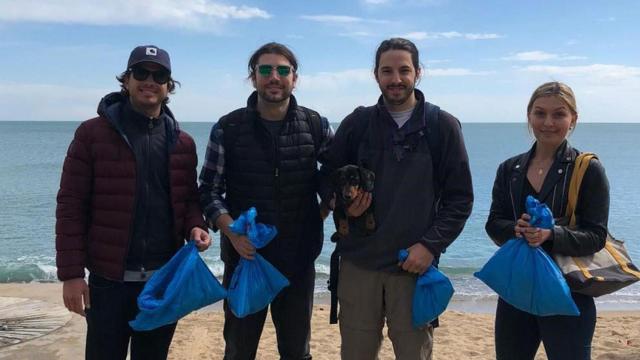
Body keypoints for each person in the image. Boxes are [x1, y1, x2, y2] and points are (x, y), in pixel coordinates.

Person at [320, 37, 473, 360]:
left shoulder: (441, 126)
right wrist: (341, 204)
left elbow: (460, 199)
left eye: (404, 70)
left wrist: (430, 246)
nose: (396, 79)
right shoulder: (357, 123)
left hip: (414, 266)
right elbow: (326, 178)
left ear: (418, 72)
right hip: (359, 264)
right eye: (387, 71)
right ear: (376, 75)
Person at [55, 45, 211, 360]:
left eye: (159, 75)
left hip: (163, 281)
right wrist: (71, 274)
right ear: (126, 80)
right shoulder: (92, 134)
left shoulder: (182, 142)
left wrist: (196, 224)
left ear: (169, 86)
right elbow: (70, 206)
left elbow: (189, 198)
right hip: (108, 282)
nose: (149, 81)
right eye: (141, 73)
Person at [198, 42, 333, 360]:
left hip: (298, 263)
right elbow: (208, 191)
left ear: (294, 78)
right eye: (266, 69)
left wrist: (322, 212)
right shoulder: (228, 127)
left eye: (283, 70)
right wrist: (232, 232)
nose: (275, 76)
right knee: (238, 350)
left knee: (296, 352)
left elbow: (334, 179)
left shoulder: (317, 125)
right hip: (245, 260)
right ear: (253, 77)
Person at [485, 81, 610, 360]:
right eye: (540, 113)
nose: (548, 122)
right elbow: (494, 223)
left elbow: (596, 236)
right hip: (516, 291)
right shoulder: (509, 169)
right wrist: (513, 229)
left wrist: (551, 234)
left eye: (559, 114)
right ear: (529, 115)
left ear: (573, 119)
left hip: (568, 292)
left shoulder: (587, 168)